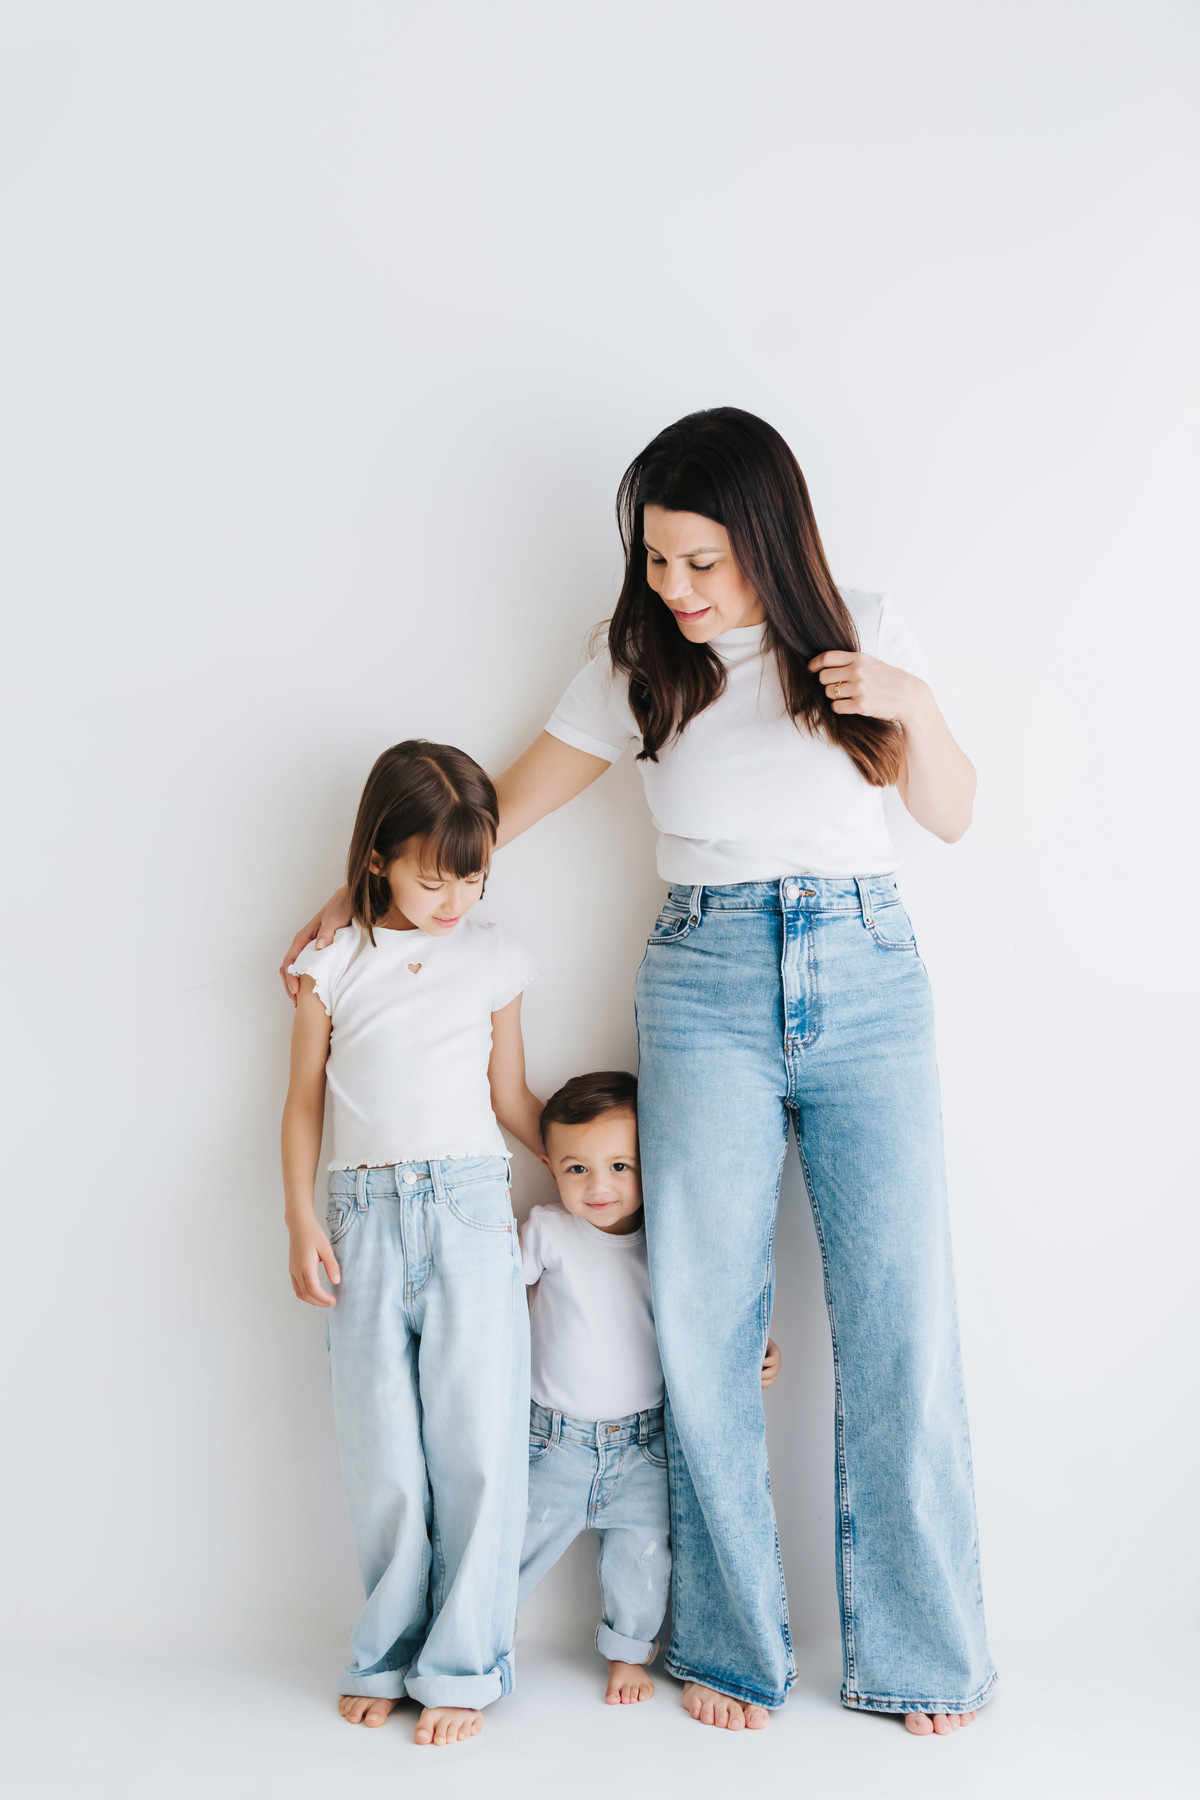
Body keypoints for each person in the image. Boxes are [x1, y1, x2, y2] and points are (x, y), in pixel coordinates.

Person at [282, 406, 995, 1737]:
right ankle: (729, 1649)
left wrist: (915, 703)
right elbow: (498, 810)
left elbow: (949, 813)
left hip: (867, 969)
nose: (675, 587)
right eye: (657, 559)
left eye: (701, 562)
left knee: (902, 1324)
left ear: (769, 540)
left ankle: (922, 1658)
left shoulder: (865, 633)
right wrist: (362, 898)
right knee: (704, 1324)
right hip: (703, 979)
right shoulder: (638, 664)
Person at [281, 739, 542, 1748]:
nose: (455, 902)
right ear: (380, 858)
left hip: (471, 1211)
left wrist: (600, 1162)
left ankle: (463, 1665)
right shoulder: (330, 963)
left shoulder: (496, 958)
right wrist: (299, 1216)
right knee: (383, 1451)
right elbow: (303, 1105)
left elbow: (510, 1097)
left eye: (473, 880)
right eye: (435, 880)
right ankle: (387, 1648)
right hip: (361, 1220)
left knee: (478, 1447)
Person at [518, 1069, 782, 1707]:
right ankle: (472, 1644)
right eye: (577, 1169)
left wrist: (755, 1353)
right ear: (550, 1168)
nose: (599, 1186)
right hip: (552, 1441)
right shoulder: (547, 1231)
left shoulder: (668, 1244)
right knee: (506, 1550)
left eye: (620, 1166)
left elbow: (712, 1317)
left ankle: (628, 1654)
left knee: (641, 1559)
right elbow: (493, 1302)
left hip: (645, 1443)